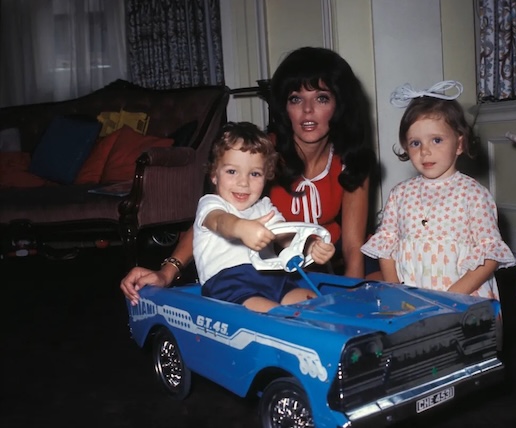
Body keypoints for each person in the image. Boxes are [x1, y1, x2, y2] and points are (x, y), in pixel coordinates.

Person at [121, 47, 376, 305]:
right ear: (284, 106)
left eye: (321, 98)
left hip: (318, 262)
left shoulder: (351, 159)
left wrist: (351, 303)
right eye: (296, 99)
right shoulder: (258, 156)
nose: (308, 110)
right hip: (257, 270)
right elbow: (211, 220)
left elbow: (354, 247)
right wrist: (167, 272)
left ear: (339, 104)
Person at [361, 81, 516, 300]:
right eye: (415, 143)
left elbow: (489, 255)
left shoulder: (473, 194)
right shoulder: (400, 194)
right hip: (412, 296)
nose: (425, 151)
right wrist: (396, 288)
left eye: (436, 140)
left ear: (459, 144)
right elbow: (386, 246)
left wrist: (452, 296)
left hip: (462, 295)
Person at [194, 121, 334, 312]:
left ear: (266, 175)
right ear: (214, 175)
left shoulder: (264, 206)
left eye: (255, 173)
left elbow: (286, 237)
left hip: (274, 278)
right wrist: (240, 228)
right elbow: (219, 222)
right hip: (230, 286)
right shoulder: (212, 204)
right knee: (275, 316)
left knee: (316, 307)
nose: (243, 182)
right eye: (232, 171)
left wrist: (311, 247)